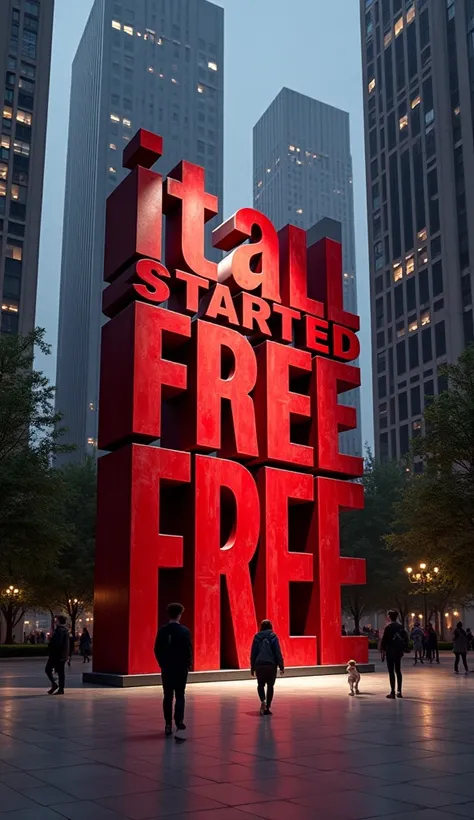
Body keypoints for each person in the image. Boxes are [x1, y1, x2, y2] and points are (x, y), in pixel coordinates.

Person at [154, 603, 192, 739]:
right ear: (180, 614)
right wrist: (188, 664)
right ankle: (179, 721)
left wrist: (162, 663)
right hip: (181, 668)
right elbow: (188, 651)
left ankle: (168, 723)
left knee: (168, 695)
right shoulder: (185, 631)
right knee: (180, 694)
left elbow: (157, 649)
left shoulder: (162, 630)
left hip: (167, 668)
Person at [250, 619, 284, 716]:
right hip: (271, 665)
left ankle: (263, 701)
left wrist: (252, 667)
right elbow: (277, 652)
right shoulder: (273, 637)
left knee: (260, 685)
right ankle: (267, 707)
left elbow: (253, 653)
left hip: (259, 665)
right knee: (270, 686)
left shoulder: (257, 637)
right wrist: (281, 666)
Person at [381, 610, 408, 699]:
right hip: (398, 651)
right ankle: (399, 691)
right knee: (398, 670)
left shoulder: (388, 627)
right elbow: (406, 637)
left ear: (389, 617)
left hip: (390, 651)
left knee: (391, 672)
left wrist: (383, 650)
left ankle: (392, 692)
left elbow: (384, 640)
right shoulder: (400, 627)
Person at [45, 615, 69, 695]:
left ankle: (58, 687)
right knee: (60, 672)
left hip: (57, 655)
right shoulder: (63, 630)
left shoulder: (60, 631)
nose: (55, 621)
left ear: (59, 621)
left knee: (49, 669)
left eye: (56, 620)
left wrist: (50, 641)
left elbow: (57, 644)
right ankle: (59, 687)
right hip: (61, 655)